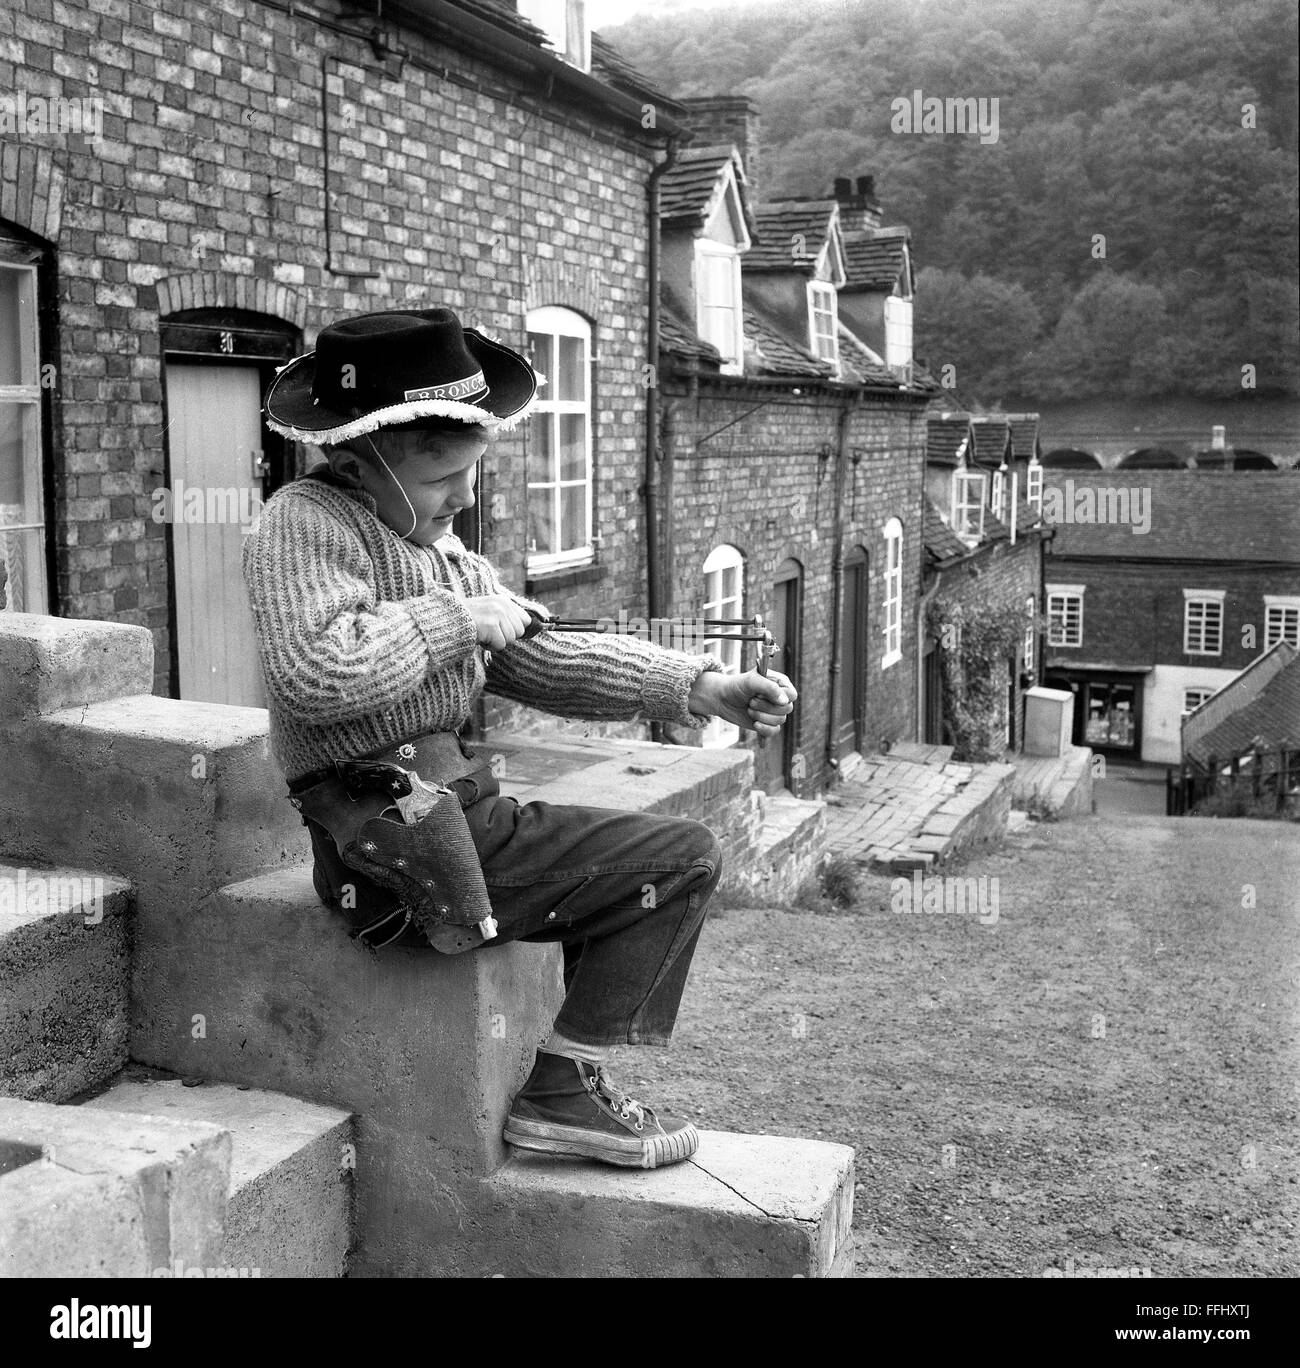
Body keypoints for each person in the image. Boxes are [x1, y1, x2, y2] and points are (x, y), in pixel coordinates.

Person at [244, 307, 796, 1170]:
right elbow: (318, 672)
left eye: (473, 473)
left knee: (633, 865)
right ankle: (563, 1091)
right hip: (385, 839)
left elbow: (543, 659)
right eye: (441, 479)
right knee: (679, 861)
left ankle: (570, 1082)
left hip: (451, 817)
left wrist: (695, 684)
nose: (464, 498)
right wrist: (457, 620)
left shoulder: (444, 553)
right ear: (357, 460)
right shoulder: (304, 524)